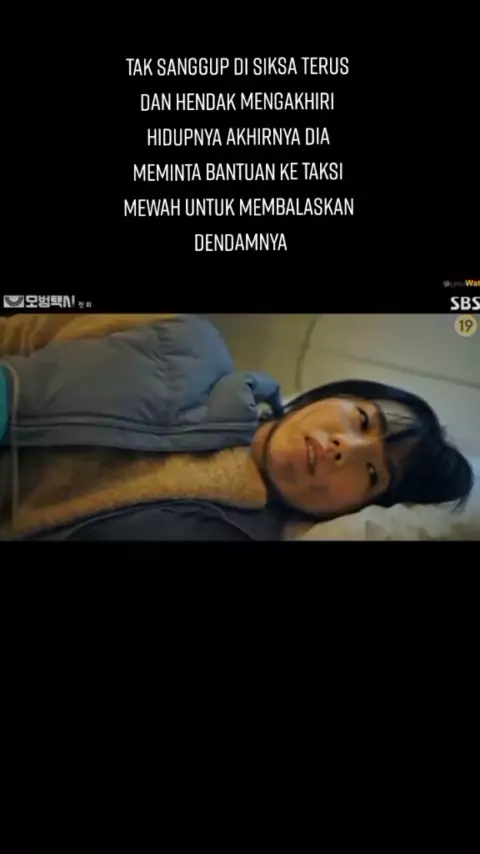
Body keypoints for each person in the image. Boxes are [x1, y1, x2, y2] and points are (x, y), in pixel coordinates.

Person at [0, 312, 473, 541]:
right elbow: (22, 328)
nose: (342, 447)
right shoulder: (184, 336)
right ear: (330, 395)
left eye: (371, 473)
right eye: (362, 420)